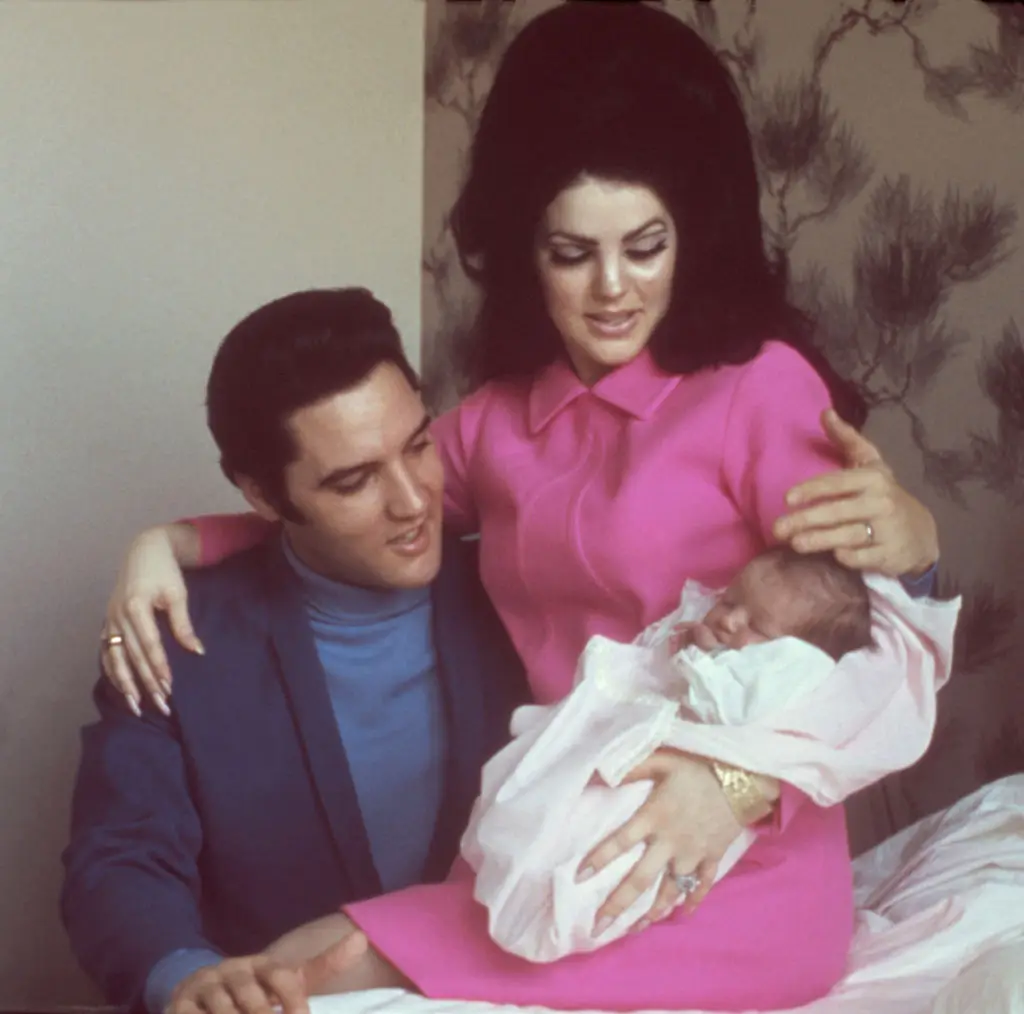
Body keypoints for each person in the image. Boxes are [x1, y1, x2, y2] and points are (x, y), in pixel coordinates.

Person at [94, 4, 942, 1011]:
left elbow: (879, 650)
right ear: (523, 250)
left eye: (645, 246)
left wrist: (739, 789)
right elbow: (350, 505)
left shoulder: (762, 392)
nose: (613, 290)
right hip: (549, 850)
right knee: (282, 969)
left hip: (727, 869)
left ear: (691, 235)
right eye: (571, 253)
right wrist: (167, 542)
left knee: (319, 985)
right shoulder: (496, 423)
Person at [60, 289, 527, 1014]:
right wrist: (184, 975)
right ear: (263, 496)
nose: (413, 502)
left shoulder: (522, 589)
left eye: (418, 446)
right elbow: (120, 856)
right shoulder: (178, 637)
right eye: (355, 481)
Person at [463, 548, 960, 963]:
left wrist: (697, 660)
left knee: (615, 850)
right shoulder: (716, 629)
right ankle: (526, 873)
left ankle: (559, 904)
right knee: (551, 802)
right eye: (729, 600)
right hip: (654, 754)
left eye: (758, 627)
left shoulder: (797, 678)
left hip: (711, 792)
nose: (728, 618)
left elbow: (735, 706)